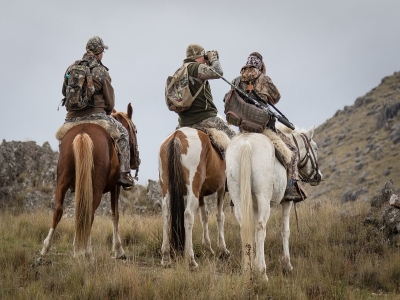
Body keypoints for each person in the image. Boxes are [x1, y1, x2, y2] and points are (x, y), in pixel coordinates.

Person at [62, 36, 134, 189]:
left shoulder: (71, 68)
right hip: (97, 116)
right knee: (123, 135)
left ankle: (66, 172)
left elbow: (64, 91)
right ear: (99, 52)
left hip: (71, 119)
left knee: (63, 141)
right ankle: (124, 174)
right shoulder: (101, 71)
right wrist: (107, 112)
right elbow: (110, 101)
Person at [235, 52, 305, 202]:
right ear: (260, 65)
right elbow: (276, 97)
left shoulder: (237, 80)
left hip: (243, 129)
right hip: (263, 128)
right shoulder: (264, 78)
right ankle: (290, 187)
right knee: (292, 150)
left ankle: (232, 188)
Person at [176, 43, 236, 139]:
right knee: (234, 138)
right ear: (198, 56)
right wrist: (213, 59)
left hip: (183, 121)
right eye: (203, 56)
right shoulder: (195, 67)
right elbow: (218, 72)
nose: (204, 59)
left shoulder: (180, 71)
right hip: (203, 118)